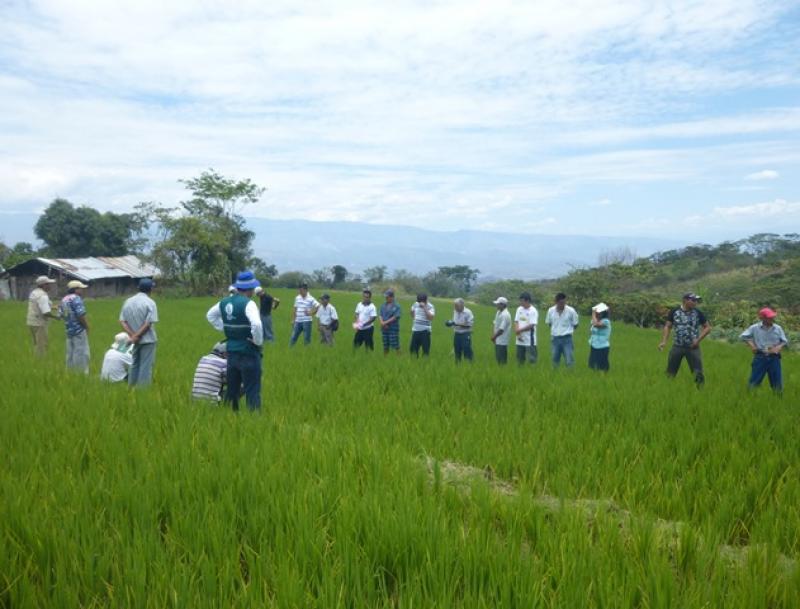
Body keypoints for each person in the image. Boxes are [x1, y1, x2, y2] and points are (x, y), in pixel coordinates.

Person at [206, 270, 264, 411]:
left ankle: (230, 417)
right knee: (252, 390)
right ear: (250, 289)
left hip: (231, 352)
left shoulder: (224, 302)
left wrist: (226, 328)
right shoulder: (249, 304)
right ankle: (254, 419)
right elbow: (257, 324)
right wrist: (257, 341)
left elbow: (210, 316)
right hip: (249, 352)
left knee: (232, 391)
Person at [659, 292, 711, 386]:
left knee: (698, 373)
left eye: (696, 301)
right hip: (677, 346)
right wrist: (664, 341)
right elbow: (668, 326)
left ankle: (700, 391)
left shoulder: (697, 312)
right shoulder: (674, 311)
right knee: (670, 373)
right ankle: (667, 388)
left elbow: (707, 327)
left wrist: (698, 340)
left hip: (693, 348)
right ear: (685, 300)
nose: (695, 303)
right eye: (693, 300)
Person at [120, 278, 159, 387]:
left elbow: (123, 321)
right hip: (148, 340)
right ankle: (142, 392)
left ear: (139, 288)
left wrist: (133, 336)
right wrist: (136, 336)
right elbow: (148, 323)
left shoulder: (127, 301)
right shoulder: (150, 303)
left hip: (135, 340)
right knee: (145, 367)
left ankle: (131, 387)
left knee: (134, 364)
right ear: (151, 289)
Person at [740, 307, 788, 394]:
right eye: (769, 317)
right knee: (754, 382)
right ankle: (750, 397)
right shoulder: (754, 328)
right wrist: (752, 346)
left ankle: (778, 398)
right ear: (762, 318)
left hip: (774, 358)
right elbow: (743, 336)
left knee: (777, 383)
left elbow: (784, 341)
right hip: (760, 357)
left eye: (772, 317)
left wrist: (778, 347)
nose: (771, 319)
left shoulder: (778, 328)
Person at [59, 280, 90, 373]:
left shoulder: (64, 299)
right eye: (80, 288)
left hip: (69, 330)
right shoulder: (76, 298)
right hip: (78, 330)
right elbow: (80, 315)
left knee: (70, 353)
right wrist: (87, 326)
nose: (82, 290)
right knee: (81, 353)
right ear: (75, 289)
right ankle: (81, 373)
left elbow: (61, 314)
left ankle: (70, 372)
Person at [26, 275, 58, 357]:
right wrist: (56, 317)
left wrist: (54, 307)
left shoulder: (34, 292)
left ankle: (37, 360)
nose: (50, 286)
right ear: (44, 285)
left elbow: (40, 305)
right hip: (40, 323)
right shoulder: (43, 296)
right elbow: (46, 312)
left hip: (32, 322)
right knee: (42, 346)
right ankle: (40, 361)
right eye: (49, 284)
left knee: (37, 343)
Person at [545, 292, 579, 368]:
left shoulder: (571, 311)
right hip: (555, 339)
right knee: (555, 359)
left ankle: (570, 374)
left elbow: (575, 324)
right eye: (561, 303)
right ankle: (554, 373)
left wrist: (568, 331)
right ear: (556, 302)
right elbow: (549, 323)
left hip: (567, 339)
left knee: (569, 359)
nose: (563, 305)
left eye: (564, 302)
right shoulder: (551, 311)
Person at [514, 292, 538, 365]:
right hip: (519, 338)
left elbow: (531, 325)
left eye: (522, 301)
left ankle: (532, 370)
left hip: (529, 339)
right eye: (520, 301)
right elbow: (516, 321)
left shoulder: (533, 311)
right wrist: (518, 334)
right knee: (520, 358)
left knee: (532, 359)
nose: (521, 303)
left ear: (527, 301)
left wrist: (519, 330)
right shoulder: (519, 309)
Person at [446, 298, 474, 362]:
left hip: (465, 335)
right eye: (454, 306)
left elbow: (469, 325)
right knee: (457, 351)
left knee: (467, 351)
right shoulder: (455, 311)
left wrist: (456, 324)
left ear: (462, 305)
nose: (455, 308)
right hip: (457, 334)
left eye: (457, 306)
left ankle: (469, 364)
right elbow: (455, 322)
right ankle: (458, 365)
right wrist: (450, 323)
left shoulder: (468, 312)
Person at [588, 303, 611, 372]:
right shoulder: (594, 320)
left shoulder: (606, 321)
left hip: (603, 346)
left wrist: (593, 312)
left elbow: (596, 325)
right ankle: (595, 376)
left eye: (599, 312)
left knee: (602, 365)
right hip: (594, 345)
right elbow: (592, 329)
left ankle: (603, 376)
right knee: (592, 364)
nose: (597, 314)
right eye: (597, 312)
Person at [490, 296, 512, 364]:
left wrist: (494, 337)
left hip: (502, 340)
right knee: (498, 358)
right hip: (497, 339)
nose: (496, 305)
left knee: (502, 360)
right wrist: (494, 335)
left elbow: (501, 330)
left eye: (498, 304)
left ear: (502, 305)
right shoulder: (498, 312)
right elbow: (495, 323)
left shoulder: (506, 315)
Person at [379, 289, 402, 355]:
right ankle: (385, 358)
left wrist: (385, 323)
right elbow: (380, 315)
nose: (386, 298)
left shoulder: (397, 306)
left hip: (393, 328)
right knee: (385, 345)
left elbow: (395, 317)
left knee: (395, 345)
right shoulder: (383, 305)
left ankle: (399, 357)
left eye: (387, 297)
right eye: (386, 297)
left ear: (392, 297)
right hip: (384, 328)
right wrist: (382, 322)